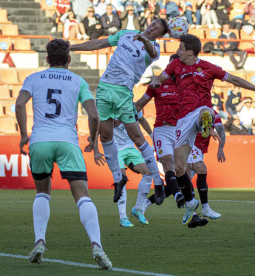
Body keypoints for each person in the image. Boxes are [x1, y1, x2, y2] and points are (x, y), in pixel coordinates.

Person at [149, 34, 255, 225]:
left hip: (199, 110)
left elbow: (234, 79)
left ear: (190, 52)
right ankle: (191, 202)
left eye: (180, 48)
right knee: (179, 168)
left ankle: (205, 123)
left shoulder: (208, 67)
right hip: (182, 120)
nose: (177, 51)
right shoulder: (175, 66)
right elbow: (159, 78)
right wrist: (156, 82)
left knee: (206, 110)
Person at [15, 39, 112, 269]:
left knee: (42, 193)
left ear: (47, 59)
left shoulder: (34, 78)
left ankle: (40, 241)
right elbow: (95, 115)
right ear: (69, 59)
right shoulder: (78, 81)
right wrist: (93, 138)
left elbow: (19, 104)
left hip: (40, 141)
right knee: (82, 196)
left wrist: (22, 135)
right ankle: (96, 244)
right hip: (68, 142)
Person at [70, 19, 169, 206]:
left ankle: (157, 182)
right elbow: (99, 43)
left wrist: (145, 40)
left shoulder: (155, 47)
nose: (152, 27)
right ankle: (118, 179)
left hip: (123, 92)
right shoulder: (126, 34)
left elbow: (152, 52)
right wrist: (71, 47)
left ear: (160, 35)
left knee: (137, 137)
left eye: (157, 28)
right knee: (106, 136)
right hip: (104, 87)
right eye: (153, 24)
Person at [135, 54, 210, 228]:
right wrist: (123, 117)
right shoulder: (157, 84)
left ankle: (191, 213)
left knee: (185, 169)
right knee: (169, 164)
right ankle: (178, 196)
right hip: (162, 129)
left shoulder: (190, 87)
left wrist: (210, 128)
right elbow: (140, 104)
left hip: (181, 130)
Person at [93, 112, 154, 227]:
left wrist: (152, 137)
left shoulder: (131, 105)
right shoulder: (109, 107)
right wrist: (95, 150)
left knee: (148, 172)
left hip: (130, 148)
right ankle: (123, 217)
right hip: (115, 149)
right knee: (121, 179)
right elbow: (97, 128)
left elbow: (142, 120)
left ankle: (138, 209)